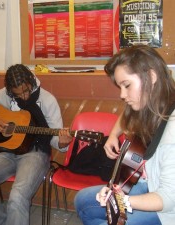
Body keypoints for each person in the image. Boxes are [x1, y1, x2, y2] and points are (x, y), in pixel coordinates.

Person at [74, 45, 175, 225]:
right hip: (149, 183)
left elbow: (167, 199)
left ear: (151, 76)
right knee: (82, 201)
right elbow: (128, 113)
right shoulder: (154, 102)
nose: (122, 95)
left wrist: (120, 200)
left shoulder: (172, 133)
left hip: (167, 210)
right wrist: (113, 135)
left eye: (127, 85)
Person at [0, 64, 73, 225]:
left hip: (36, 153)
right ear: (10, 90)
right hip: (6, 152)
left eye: (26, 90)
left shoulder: (47, 100)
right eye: (18, 93)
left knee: (17, 196)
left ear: (31, 81)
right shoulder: (6, 95)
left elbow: (56, 140)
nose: (23, 96)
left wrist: (62, 142)